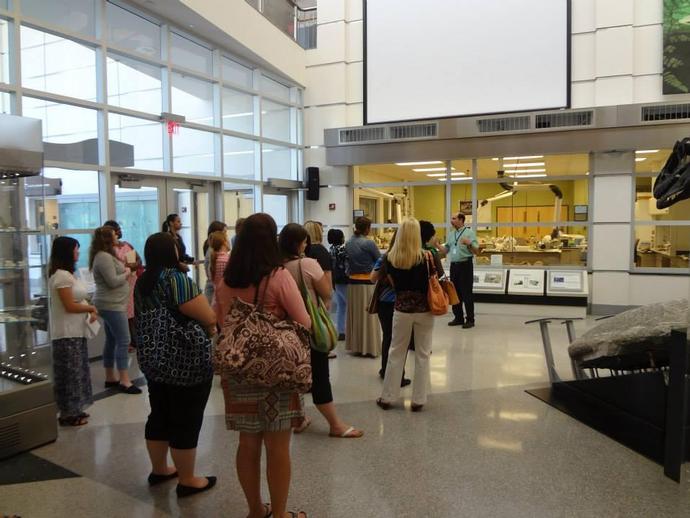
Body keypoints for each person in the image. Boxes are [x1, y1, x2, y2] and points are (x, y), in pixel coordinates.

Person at [214, 213, 310, 518]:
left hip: (238, 370)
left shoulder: (226, 281)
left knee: (247, 443)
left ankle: (256, 509)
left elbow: (221, 322)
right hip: (276, 372)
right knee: (278, 446)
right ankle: (280, 514)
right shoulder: (277, 276)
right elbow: (304, 321)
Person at [134, 232, 217, 497]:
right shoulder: (176, 279)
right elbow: (207, 314)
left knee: (159, 413)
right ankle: (188, 479)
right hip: (185, 361)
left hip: (154, 360)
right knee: (186, 418)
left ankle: (160, 469)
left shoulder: (143, 281)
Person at [279, 224, 363, 439]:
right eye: (304, 241)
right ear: (299, 243)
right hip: (309, 327)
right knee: (319, 375)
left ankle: (297, 418)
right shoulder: (306, 264)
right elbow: (327, 291)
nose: (307, 245)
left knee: (292, 375)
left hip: (283, 330)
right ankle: (335, 424)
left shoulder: (275, 267)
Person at [376, 218, 434, 412]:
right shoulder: (427, 256)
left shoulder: (390, 257)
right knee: (422, 353)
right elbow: (438, 278)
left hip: (401, 309)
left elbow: (391, 283)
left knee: (396, 352)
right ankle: (418, 399)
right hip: (424, 310)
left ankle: (388, 397)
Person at [48, 237, 97, 426]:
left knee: (78, 371)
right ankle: (68, 413)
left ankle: (76, 409)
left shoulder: (69, 274)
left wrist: (90, 308)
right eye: (76, 249)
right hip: (66, 332)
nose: (78, 253)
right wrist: (90, 309)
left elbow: (79, 299)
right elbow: (69, 305)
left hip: (77, 330)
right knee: (69, 374)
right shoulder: (61, 276)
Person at [89, 226, 141, 394]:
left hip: (114, 303)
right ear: (107, 239)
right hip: (112, 305)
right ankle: (124, 380)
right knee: (124, 340)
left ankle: (110, 376)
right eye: (114, 235)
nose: (117, 237)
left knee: (112, 340)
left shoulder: (107, 255)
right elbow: (112, 281)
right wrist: (127, 272)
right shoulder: (103, 257)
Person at [370, 230, 411, 387]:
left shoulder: (385, 257)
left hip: (384, 302)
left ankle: (385, 369)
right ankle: (398, 375)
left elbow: (372, 278)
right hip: (402, 303)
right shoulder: (411, 259)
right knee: (401, 341)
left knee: (387, 336)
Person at [344, 216, 382, 357]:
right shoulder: (369, 244)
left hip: (353, 283)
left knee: (356, 316)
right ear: (367, 228)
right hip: (367, 283)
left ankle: (357, 346)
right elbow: (379, 260)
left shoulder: (348, 243)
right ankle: (370, 347)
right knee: (369, 317)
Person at [104, 220, 142, 351]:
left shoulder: (127, 245)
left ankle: (135, 340)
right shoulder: (108, 250)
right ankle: (125, 341)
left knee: (133, 312)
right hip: (120, 284)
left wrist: (134, 264)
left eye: (119, 228)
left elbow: (139, 259)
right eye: (116, 230)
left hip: (132, 283)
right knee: (123, 313)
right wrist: (126, 267)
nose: (120, 232)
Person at [303, 220, 336, 358]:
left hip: (305, 294)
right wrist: (328, 297)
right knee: (320, 324)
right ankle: (323, 348)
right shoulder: (321, 251)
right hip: (318, 295)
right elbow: (327, 275)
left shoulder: (304, 250)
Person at [443, 213, 479, 328]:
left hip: (465, 265)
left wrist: (469, 244)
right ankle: (458, 318)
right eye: (451, 218)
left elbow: (476, 251)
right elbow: (446, 250)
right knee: (455, 292)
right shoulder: (451, 234)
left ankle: (470, 319)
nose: (451, 221)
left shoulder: (469, 233)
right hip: (454, 266)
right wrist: (437, 246)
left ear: (461, 220)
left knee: (466, 293)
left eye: (454, 219)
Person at [327, 228, 348, 342]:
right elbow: (347, 265)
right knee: (349, 306)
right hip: (345, 280)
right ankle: (350, 330)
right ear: (341, 238)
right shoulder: (343, 250)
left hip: (335, 281)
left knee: (341, 306)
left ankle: (341, 331)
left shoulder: (330, 250)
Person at [202, 221, 228, 302]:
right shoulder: (212, 253)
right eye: (224, 233)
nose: (226, 236)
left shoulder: (213, 252)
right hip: (213, 293)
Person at [208, 230, 230, 311]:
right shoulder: (227, 260)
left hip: (216, 301)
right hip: (226, 302)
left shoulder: (213, 260)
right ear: (224, 242)